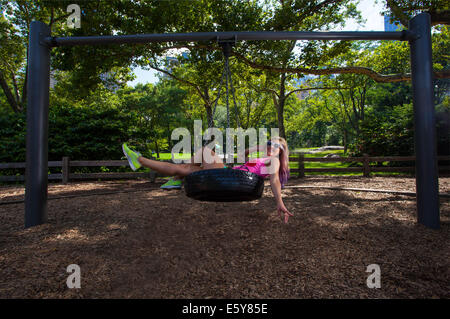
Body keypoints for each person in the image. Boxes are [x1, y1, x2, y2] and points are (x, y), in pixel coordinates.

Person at [122, 137, 293, 223]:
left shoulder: (274, 161)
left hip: (229, 178)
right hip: (228, 176)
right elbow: (241, 155)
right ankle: (140, 161)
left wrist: (279, 202)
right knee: (182, 169)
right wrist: (259, 147)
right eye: (270, 142)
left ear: (282, 152)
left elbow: (274, 180)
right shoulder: (262, 158)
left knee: (204, 151)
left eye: (277, 145)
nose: (272, 146)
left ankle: (176, 179)